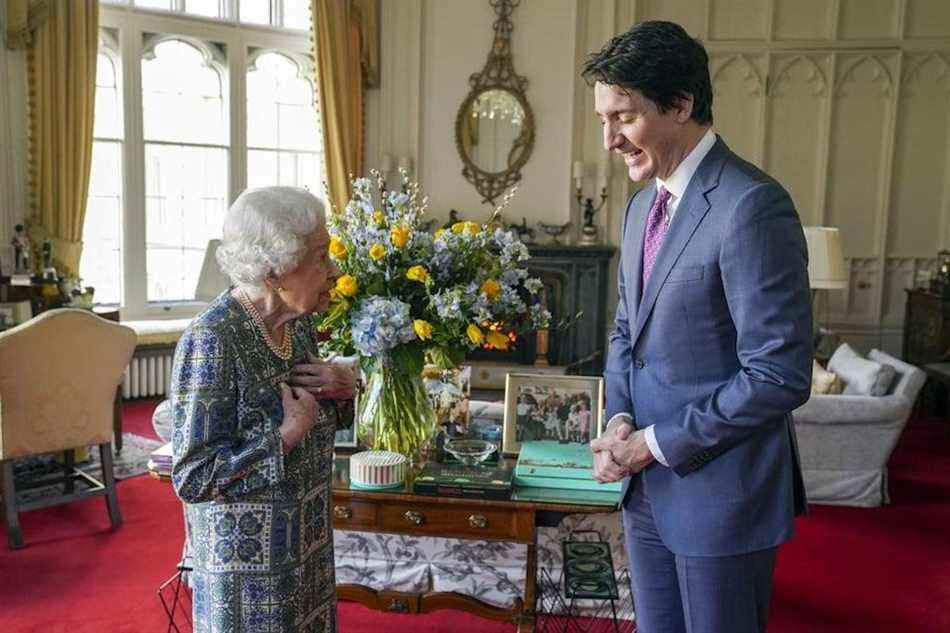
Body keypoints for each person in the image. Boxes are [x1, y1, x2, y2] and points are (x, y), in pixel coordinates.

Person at [584, 21, 812, 633]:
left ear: (681, 104)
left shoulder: (752, 205)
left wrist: (651, 445)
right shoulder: (640, 207)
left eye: (624, 117)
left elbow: (778, 375)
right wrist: (619, 421)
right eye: (604, 119)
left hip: (722, 498)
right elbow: (625, 333)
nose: (609, 139)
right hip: (646, 494)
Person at [170, 186, 355, 633]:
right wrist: (285, 435)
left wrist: (345, 389)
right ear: (274, 271)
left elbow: (320, 416)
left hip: (306, 552)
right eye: (319, 257)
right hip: (249, 578)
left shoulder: (299, 322)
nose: (332, 270)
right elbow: (193, 477)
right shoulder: (213, 339)